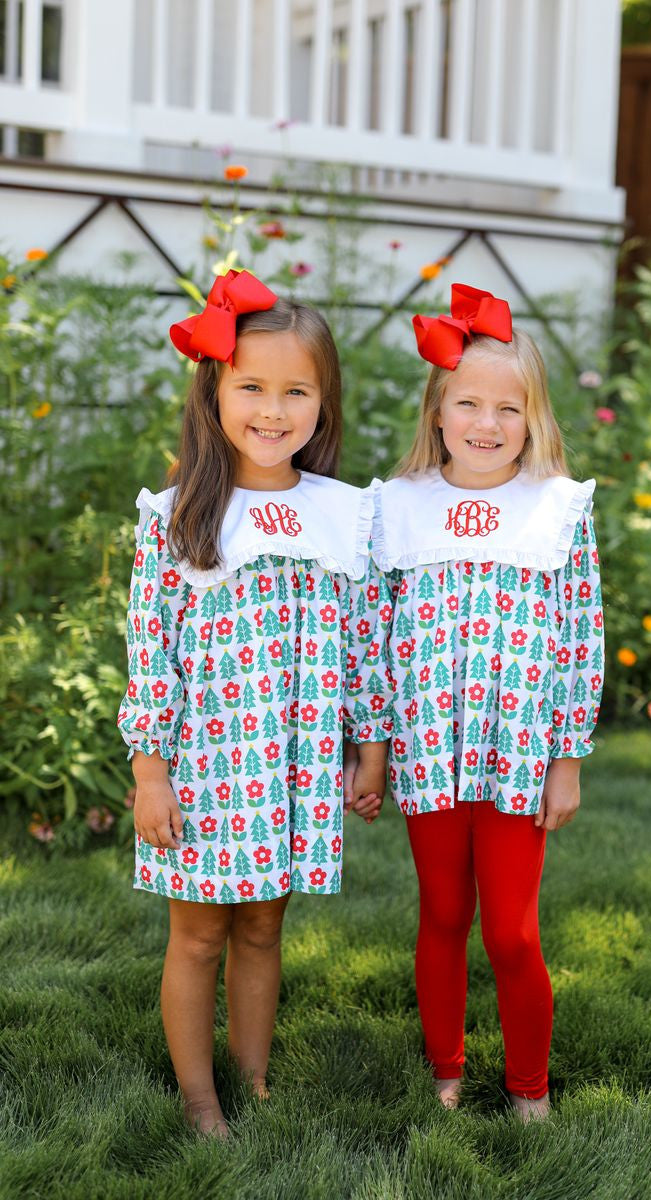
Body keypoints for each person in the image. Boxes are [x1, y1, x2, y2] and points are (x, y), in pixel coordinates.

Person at [117, 269, 392, 1137]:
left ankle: (254, 1081)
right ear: (215, 393)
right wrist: (150, 771)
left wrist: (369, 748)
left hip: (293, 763)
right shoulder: (182, 516)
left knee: (264, 929)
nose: (273, 411)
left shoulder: (343, 518)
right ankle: (201, 1101)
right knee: (199, 934)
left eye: (295, 391)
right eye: (252, 388)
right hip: (204, 765)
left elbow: (363, 643)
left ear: (323, 403)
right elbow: (150, 654)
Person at [373, 284, 604, 1121]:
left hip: (517, 754)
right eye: (467, 402)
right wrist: (373, 749)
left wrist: (566, 758)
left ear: (534, 417)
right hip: (429, 748)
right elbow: (375, 635)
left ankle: (529, 1089)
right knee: (441, 912)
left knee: (510, 931)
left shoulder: (556, 509)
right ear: (438, 413)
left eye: (509, 407)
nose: (486, 422)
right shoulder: (396, 508)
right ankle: (446, 1070)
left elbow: (580, 637)